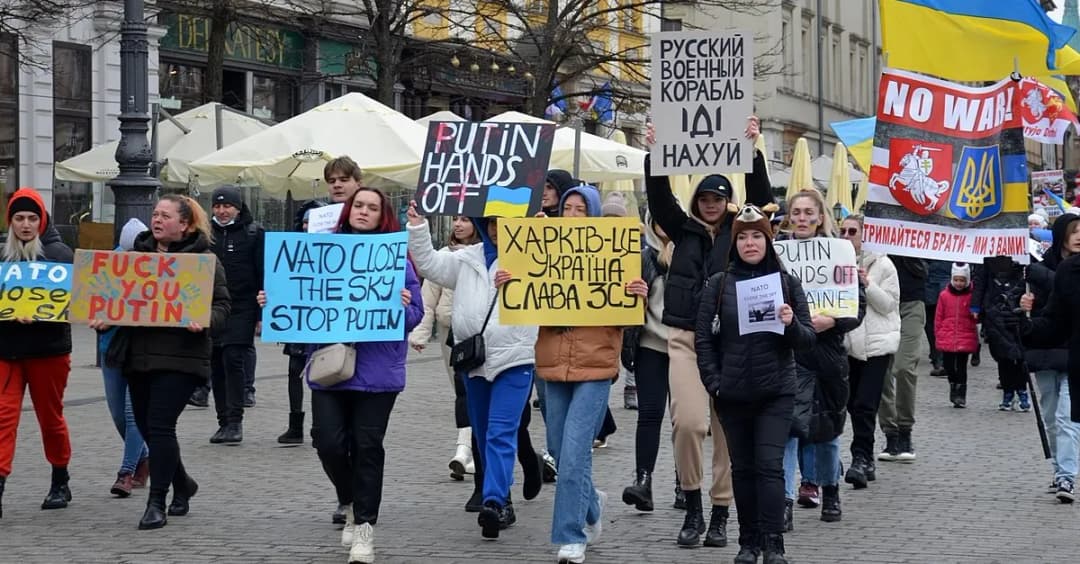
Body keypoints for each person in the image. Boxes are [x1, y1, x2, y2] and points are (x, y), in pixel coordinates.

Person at [261, 187, 423, 563]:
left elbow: (415, 316)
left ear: (382, 215)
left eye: (372, 207)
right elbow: (298, 301)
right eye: (358, 206)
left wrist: (404, 305)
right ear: (347, 211)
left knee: (368, 446)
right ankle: (349, 499)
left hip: (377, 373)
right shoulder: (320, 253)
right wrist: (274, 302)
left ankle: (365, 527)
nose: (363, 212)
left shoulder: (395, 257)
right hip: (330, 368)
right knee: (328, 442)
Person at [644, 116, 774, 548]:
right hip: (684, 338)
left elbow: (762, 200)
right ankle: (693, 504)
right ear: (696, 201)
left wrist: (753, 151)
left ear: (728, 200)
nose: (711, 202)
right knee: (687, 423)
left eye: (718, 196)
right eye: (704, 196)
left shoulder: (742, 234)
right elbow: (660, 197)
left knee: (726, 431)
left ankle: (720, 514)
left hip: (733, 343)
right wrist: (655, 152)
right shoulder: (682, 229)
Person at [525, 184, 648, 564]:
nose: (573, 215)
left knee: (576, 452)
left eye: (581, 209)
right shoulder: (542, 251)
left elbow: (624, 318)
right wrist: (511, 282)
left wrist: (635, 295)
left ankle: (570, 537)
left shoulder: (614, 255)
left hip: (595, 366)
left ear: (593, 216)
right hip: (551, 364)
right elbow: (525, 303)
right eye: (568, 208)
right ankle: (591, 504)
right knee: (562, 454)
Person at [91, 194, 230, 530]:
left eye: (165, 216)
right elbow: (116, 300)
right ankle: (183, 484)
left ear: (184, 224)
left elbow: (224, 308)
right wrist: (107, 317)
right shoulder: (133, 259)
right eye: (155, 214)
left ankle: (157, 503)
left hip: (182, 357)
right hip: (138, 357)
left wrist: (205, 319)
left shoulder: (204, 261)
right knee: (148, 427)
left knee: (161, 424)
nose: (157, 220)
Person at [406, 202, 538, 540]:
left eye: (504, 221)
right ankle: (503, 497)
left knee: (499, 430)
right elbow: (430, 265)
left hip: (515, 358)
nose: (496, 228)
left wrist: (542, 236)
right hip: (475, 360)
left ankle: (493, 501)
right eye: (490, 221)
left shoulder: (533, 251)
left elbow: (561, 282)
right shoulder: (467, 258)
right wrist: (419, 225)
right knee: (481, 432)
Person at [695, 204, 815, 564]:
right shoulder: (718, 285)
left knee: (769, 467)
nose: (750, 243)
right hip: (732, 394)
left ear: (768, 240)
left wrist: (791, 322)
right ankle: (748, 542)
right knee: (743, 470)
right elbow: (703, 339)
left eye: (757, 236)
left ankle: (774, 543)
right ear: (735, 244)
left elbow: (807, 340)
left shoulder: (787, 283)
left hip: (775, 391)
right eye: (743, 237)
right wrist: (714, 382)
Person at [781, 190, 865, 525]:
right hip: (789, 354)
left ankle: (830, 490)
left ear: (819, 217)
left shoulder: (840, 253)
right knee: (788, 430)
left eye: (808, 213)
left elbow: (856, 308)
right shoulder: (779, 253)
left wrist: (831, 320)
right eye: (796, 212)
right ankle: (784, 500)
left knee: (827, 433)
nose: (802, 218)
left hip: (828, 355)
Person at [0, 187, 75, 518]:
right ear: (11, 222)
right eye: (19, 218)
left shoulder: (60, 255)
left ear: (42, 220)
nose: (26, 225)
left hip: (48, 350)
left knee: (50, 417)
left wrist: (43, 313)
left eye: (32, 218)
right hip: (6, 349)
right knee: (3, 418)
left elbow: (76, 303)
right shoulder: (1, 257)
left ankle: (60, 477)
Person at [408, 215, 481, 480]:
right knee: (461, 391)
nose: (458, 225)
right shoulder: (444, 256)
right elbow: (428, 298)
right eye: (455, 220)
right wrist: (420, 333)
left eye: (465, 220)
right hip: (451, 335)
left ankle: (464, 450)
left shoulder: (486, 255)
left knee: (471, 392)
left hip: (480, 334)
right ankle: (467, 449)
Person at [1020, 213, 1080, 502]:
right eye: (1073, 231)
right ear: (1061, 236)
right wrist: (1025, 305)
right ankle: (1059, 470)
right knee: (1051, 416)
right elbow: (1043, 316)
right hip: (1047, 351)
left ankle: (1067, 477)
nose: (1079, 236)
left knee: (1067, 416)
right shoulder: (1037, 272)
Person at [839, 215, 899, 490]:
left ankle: (861, 458)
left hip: (876, 345)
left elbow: (888, 305)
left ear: (865, 235)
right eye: (843, 231)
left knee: (865, 404)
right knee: (849, 404)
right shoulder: (834, 262)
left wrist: (867, 284)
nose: (847, 235)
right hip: (848, 345)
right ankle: (856, 455)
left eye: (853, 231)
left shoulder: (884, 264)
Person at [621, 208, 673, 513]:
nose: (664, 226)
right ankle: (644, 481)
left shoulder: (693, 254)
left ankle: (684, 485)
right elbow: (620, 301)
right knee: (650, 415)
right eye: (659, 220)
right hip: (650, 344)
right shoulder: (641, 257)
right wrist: (634, 295)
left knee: (685, 422)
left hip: (685, 346)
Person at [203, 185, 264, 444]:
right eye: (217, 206)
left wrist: (262, 313)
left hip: (243, 307)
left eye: (227, 206)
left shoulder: (253, 233)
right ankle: (223, 422)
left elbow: (262, 271)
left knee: (233, 359)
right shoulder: (205, 234)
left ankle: (235, 421)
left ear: (238, 208)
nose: (222, 211)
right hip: (214, 307)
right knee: (216, 363)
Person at [101, 218, 151, 498]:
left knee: (134, 416)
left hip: (142, 351)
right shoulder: (109, 267)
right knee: (118, 415)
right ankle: (145, 456)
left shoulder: (155, 266)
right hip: (112, 349)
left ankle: (126, 472)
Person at [277, 202, 326, 445]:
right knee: (294, 372)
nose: (308, 227)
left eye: (313, 222)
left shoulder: (335, 247)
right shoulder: (292, 249)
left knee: (324, 372)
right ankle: (295, 424)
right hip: (299, 318)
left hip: (323, 320)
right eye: (305, 222)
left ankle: (320, 425)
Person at [878, 255, 927, 462]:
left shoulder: (918, 226)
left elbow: (927, 268)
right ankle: (891, 432)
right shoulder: (875, 229)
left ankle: (905, 429)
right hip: (881, 304)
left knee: (904, 367)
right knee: (881, 371)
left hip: (911, 301)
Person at [973, 256, 1030, 411]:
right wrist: (976, 307)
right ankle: (1008, 391)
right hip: (994, 312)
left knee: (1019, 356)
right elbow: (980, 282)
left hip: (1017, 310)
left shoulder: (1023, 256)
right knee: (1002, 356)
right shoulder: (986, 259)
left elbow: (1029, 280)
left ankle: (1022, 390)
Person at [934, 263, 979, 408]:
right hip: (947, 335)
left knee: (961, 367)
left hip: (964, 336)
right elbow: (938, 316)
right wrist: (938, 332)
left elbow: (976, 317)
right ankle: (953, 384)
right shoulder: (944, 295)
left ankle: (960, 394)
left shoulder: (972, 296)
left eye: (962, 280)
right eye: (957, 280)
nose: (959, 283)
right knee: (949, 366)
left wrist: (976, 315)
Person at [924, 260, 952, 377]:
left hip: (945, 275)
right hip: (928, 277)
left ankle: (941, 358)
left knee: (944, 320)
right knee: (930, 321)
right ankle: (937, 354)